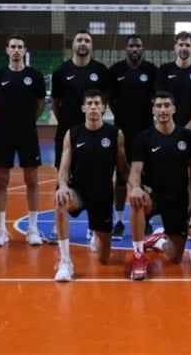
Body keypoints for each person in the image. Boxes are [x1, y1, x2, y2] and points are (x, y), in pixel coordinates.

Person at [52, 90, 128, 282]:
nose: (93, 107)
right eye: (90, 103)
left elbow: (123, 168)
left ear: (103, 108)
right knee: (60, 202)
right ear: (83, 108)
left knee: (103, 259)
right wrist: (62, 186)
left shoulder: (115, 134)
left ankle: (97, 233)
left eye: (97, 103)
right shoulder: (73, 134)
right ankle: (65, 261)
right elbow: (63, 169)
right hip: (78, 191)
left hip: (103, 196)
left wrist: (136, 185)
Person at [128, 91, 191, 280]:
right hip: (153, 196)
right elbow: (135, 170)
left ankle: (157, 240)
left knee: (175, 257)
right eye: (159, 106)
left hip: (178, 199)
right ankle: (138, 255)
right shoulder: (144, 137)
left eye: (167, 105)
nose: (163, 110)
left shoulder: (187, 136)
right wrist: (136, 186)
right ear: (153, 110)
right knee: (136, 201)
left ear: (174, 109)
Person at [0, 34, 47, 247]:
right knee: (1, 180)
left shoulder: (35, 76)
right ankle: (0, 229)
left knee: (32, 179)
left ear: (25, 50)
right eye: (12, 46)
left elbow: (40, 104)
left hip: (27, 135)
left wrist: (28, 121)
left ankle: (33, 228)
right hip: (4, 135)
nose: (16, 50)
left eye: (20, 47)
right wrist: (6, 122)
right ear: (7, 50)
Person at [155, 31, 191, 243]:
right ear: (175, 47)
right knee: (170, 177)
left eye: (188, 45)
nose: (184, 48)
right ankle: (170, 222)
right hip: (167, 134)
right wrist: (172, 129)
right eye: (181, 44)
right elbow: (159, 102)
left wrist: (186, 129)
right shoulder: (164, 70)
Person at [108, 34, 157, 240]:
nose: (135, 49)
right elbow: (110, 100)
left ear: (142, 48)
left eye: (138, 45)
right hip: (122, 133)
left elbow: (156, 99)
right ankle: (119, 221)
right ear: (126, 48)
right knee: (120, 178)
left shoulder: (151, 70)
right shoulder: (116, 70)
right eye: (131, 45)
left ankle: (146, 220)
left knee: (147, 179)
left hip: (146, 134)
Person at [51, 30, 110, 170]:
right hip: (67, 130)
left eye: (87, 41)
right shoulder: (61, 71)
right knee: (64, 173)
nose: (83, 43)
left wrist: (95, 118)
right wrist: (65, 120)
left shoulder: (101, 70)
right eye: (79, 40)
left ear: (91, 46)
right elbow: (55, 103)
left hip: (93, 131)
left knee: (92, 171)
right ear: (73, 45)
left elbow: (105, 98)